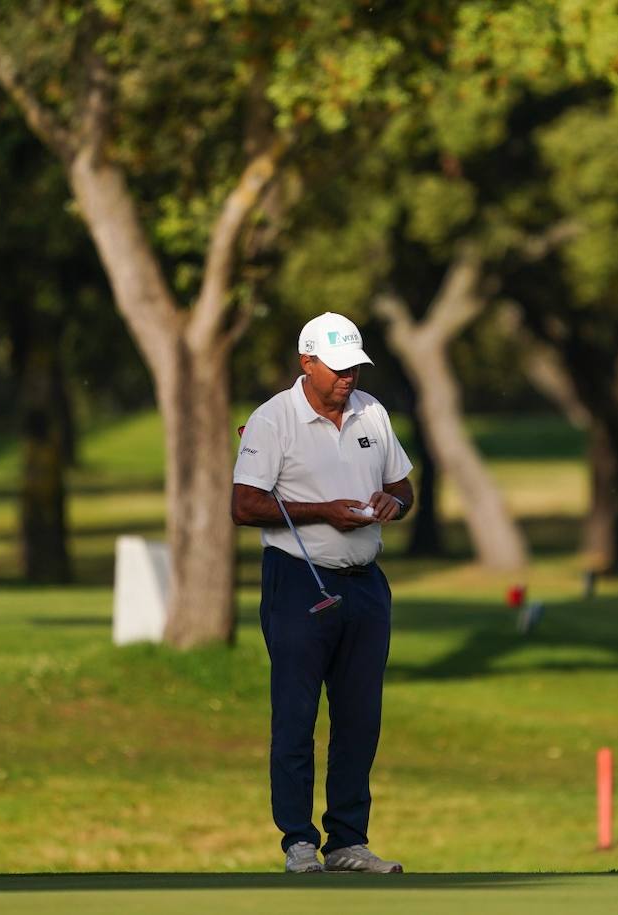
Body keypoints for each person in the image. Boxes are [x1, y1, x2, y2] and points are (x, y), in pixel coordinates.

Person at [232, 311, 414, 874]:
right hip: (297, 581)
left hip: (365, 585)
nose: (348, 378)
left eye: (354, 367)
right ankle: (298, 841)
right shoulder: (273, 419)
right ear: (307, 362)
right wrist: (324, 513)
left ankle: (347, 841)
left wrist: (394, 504)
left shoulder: (372, 412)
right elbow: (245, 504)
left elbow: (400, 484)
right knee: (296, 713)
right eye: (337, 368)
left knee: (360, 718)